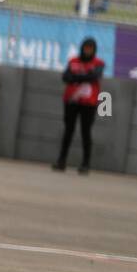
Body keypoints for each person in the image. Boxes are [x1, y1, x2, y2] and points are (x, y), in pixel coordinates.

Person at [53, 37, 105, 175]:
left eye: (90, 49)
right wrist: (84, 76)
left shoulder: (99, 63)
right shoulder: (73, 61)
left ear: (94, 50)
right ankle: (61, 161)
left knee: (85, 132)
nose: (88, 51)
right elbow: (66, 77)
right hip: (71, 101)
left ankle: (86, 163)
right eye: (86, 48)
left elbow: (95, 76)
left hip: (89, 103)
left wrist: (77, 77)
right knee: (68, 131)